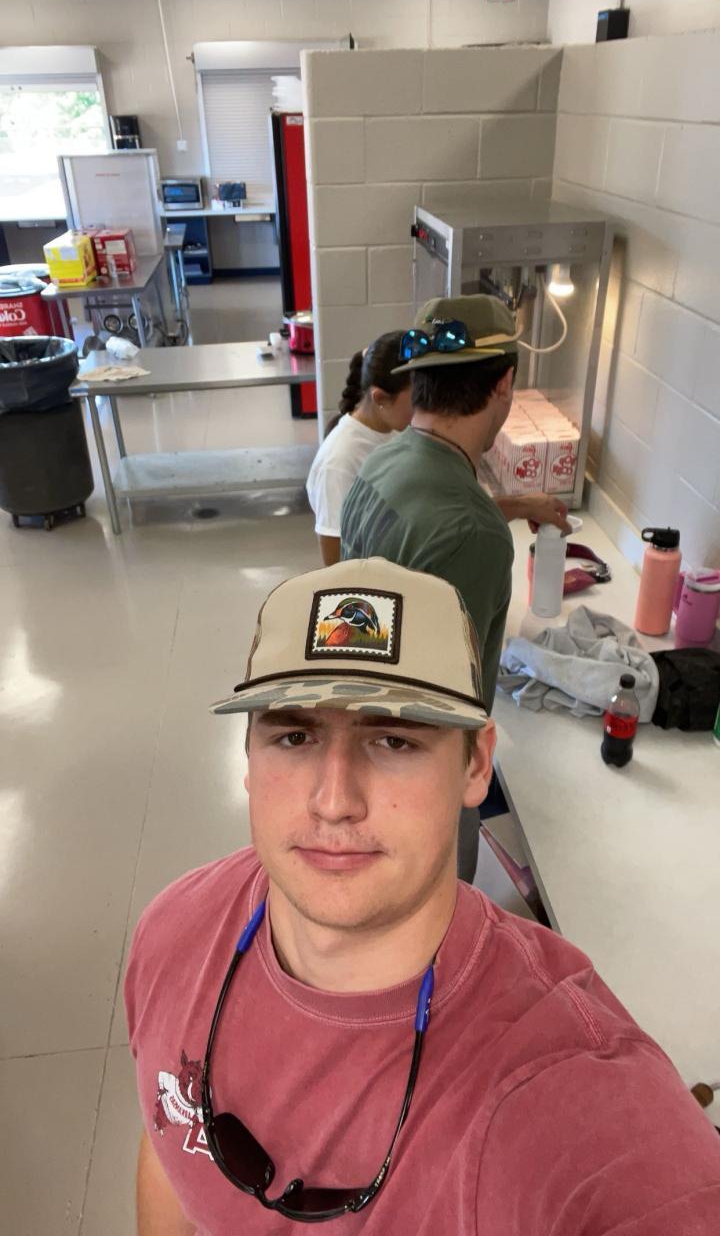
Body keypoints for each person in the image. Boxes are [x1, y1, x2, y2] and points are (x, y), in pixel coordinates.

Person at [126, 558, 720, 1235]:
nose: (335, 800)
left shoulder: (570, 1089)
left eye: (394, 739)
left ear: (476, 764)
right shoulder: (175, 931)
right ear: (249, 757)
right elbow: (169, 1146)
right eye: (294, 736)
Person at [339, 295, 566, 880]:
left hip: (359, 719)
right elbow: (442, 705)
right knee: (435, 905)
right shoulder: (474, 533)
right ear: (504, 384)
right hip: (417, 785)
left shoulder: (383, 461)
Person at [306, 332, 412, 566]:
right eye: (416, 399)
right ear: (380, 398)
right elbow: (336, 564)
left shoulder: (394, 428)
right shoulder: (338, 462)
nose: (424, 407)